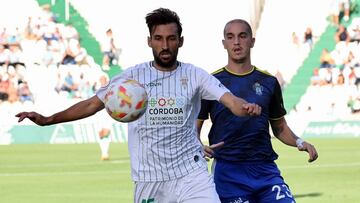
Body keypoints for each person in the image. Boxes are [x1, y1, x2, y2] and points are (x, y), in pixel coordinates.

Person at [16, 8, 261, 203]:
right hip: (149, 179)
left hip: (191, 174)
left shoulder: (195, 75)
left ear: (181, 41)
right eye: (158, 39)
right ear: (149, 41)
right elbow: (93, 104)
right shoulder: (130, 79)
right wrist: (49, 119)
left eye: (171, 39)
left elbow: (230, 101)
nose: (165, 46)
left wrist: (245, 108)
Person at [197, 19, 319, 203]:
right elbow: (193, 129)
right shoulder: (211, 83)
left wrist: (300, 142)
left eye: (242, 36)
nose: (236, 42)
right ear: (224, 44)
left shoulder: (269, 82)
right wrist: (198, 145)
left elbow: (279, 127)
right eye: (230, 37)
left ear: (252, 41)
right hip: (229, 173)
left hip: (265, 170)